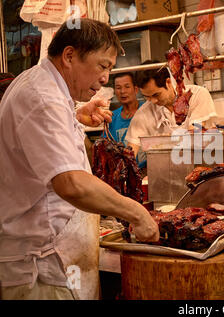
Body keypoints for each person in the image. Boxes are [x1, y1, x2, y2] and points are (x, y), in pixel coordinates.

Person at [0, 18, 159, 300]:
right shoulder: (42, 98)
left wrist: (74, 117)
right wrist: (136, 212)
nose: (105, 78)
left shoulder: (40, 87)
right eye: (102, 66)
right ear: (70, 56)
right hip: (40, 268)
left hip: (48, 261)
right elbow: (71, 183)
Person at [125, 61, 217, 157]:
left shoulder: (197, 95)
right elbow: (131, 150)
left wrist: (164, 140)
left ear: (168, 82)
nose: (153, 101)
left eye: (156, 94)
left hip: (201, 162)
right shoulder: (144, 112)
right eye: (146, 97)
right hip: (164, 168)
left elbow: (194, 136)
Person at [102, 72, 146, 168]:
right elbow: (106, 149)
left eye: (127, 86)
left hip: (148, 170)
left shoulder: (147, 110)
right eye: (118, 88)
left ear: (136, 89)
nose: (122, 91)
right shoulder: (112, 117)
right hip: (123, 171)